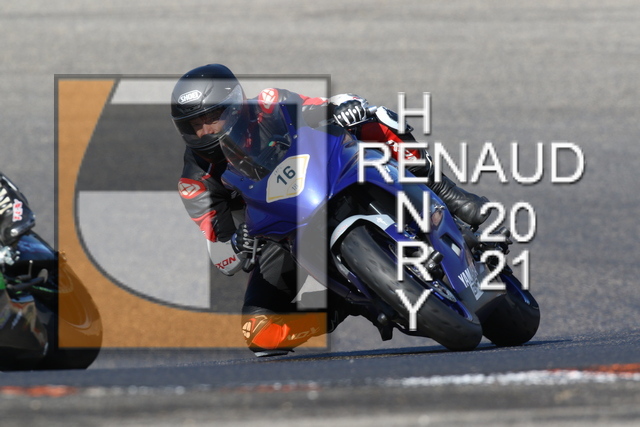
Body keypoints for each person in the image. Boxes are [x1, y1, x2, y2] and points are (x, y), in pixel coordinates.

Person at [171, 64, 489, 356]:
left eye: (212, 118)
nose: (205, 131)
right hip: (278, 234)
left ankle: (448, 193)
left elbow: (319, 107)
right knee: (260, 334)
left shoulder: (268, 104)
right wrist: (237, 244)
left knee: (374, 119)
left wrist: (342, 108)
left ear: (235, 105)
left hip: (326, 177)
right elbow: (220, 253)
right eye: (195, 125)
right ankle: (343, 304)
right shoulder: (194, 182)